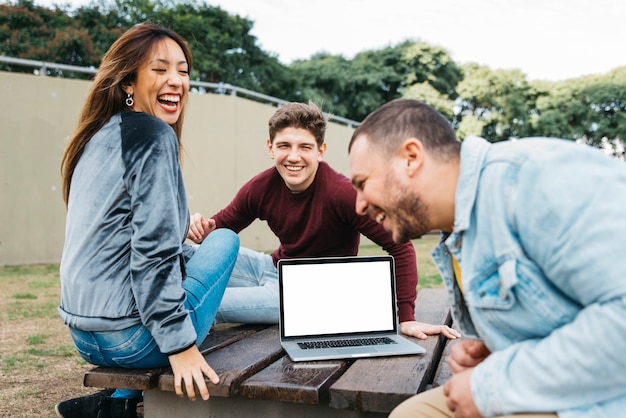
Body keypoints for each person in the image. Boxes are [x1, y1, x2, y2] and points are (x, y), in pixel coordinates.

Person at [347, 98, 626, 417]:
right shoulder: (458, 228)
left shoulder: (533, 180)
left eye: (362, 183)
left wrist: (490, 384)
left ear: (411, 158)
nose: (358, 205)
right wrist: (495, 352)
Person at [54, 24, 240, 418]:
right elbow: (153, 256)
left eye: (183, 71)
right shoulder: (154, 135)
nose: (176, 80)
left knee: (195, 254)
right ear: (128, 83)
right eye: (159, 69)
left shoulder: (94, 138)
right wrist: (181, 347)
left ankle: (118, 404)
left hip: (84, 336)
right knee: (223, 242)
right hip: (136, 341)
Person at [187, 101, 460, 340]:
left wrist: (406, 317)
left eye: (304, 147)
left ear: (321, 150)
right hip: (271, 268)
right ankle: (150, 301)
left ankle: (160, 337)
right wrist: (198, 226)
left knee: (205, 304)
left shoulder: (342, 193)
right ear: (271, 148)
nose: (293, 156)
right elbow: (218, 230)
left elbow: (400, 247)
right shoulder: (261, 187)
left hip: (310, 296)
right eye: (284, 146)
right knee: (185, 254)